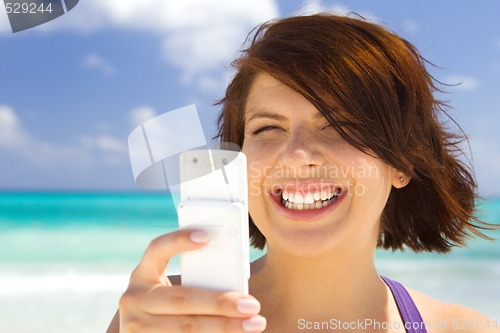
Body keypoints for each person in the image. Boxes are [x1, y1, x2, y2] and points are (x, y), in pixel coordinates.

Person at [107, 13, 499, 333]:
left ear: (401, 162)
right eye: (267, 128)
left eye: (339, 125)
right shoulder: (159, 318)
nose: (296, 156)